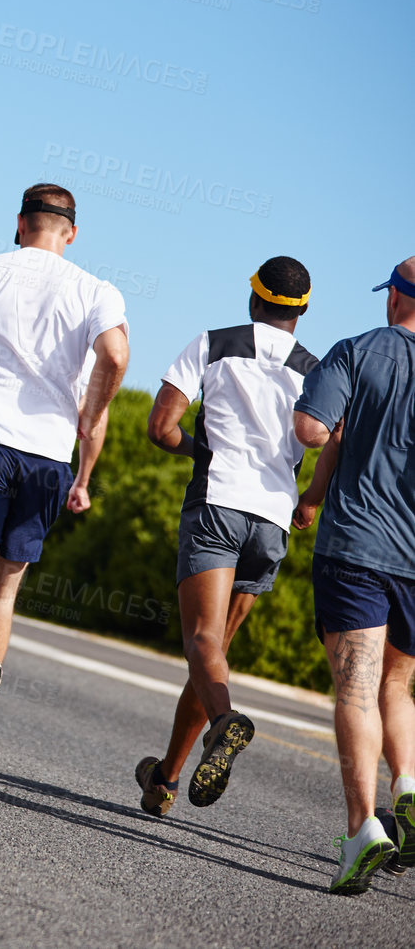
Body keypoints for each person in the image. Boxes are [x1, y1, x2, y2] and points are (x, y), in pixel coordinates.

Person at [0, 184, 129, 773]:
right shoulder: (97, 291)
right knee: (3, 590)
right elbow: (113, 359)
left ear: (20, 223)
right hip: (48, 460)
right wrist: (84, 458)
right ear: (72, 233)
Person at [132, 258, 319, 817]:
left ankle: (225, 723)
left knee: (200, 643)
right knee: (213, 653)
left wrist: (200, 450)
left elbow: (161, 428)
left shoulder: (213, 342)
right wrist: (309, 498)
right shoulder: (317, 368)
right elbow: (332, 439)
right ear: (302, 311)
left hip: (218, 502)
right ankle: (165, 778)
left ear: (253, 299)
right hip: (274, 519)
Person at [292, 256, 415, 895]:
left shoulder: (357, 351)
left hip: (359, 549)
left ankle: (362, 827)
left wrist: (312, 486)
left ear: (395, 296)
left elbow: (312, 428)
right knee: (399, 686)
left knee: (357, 689)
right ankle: (411, 787)